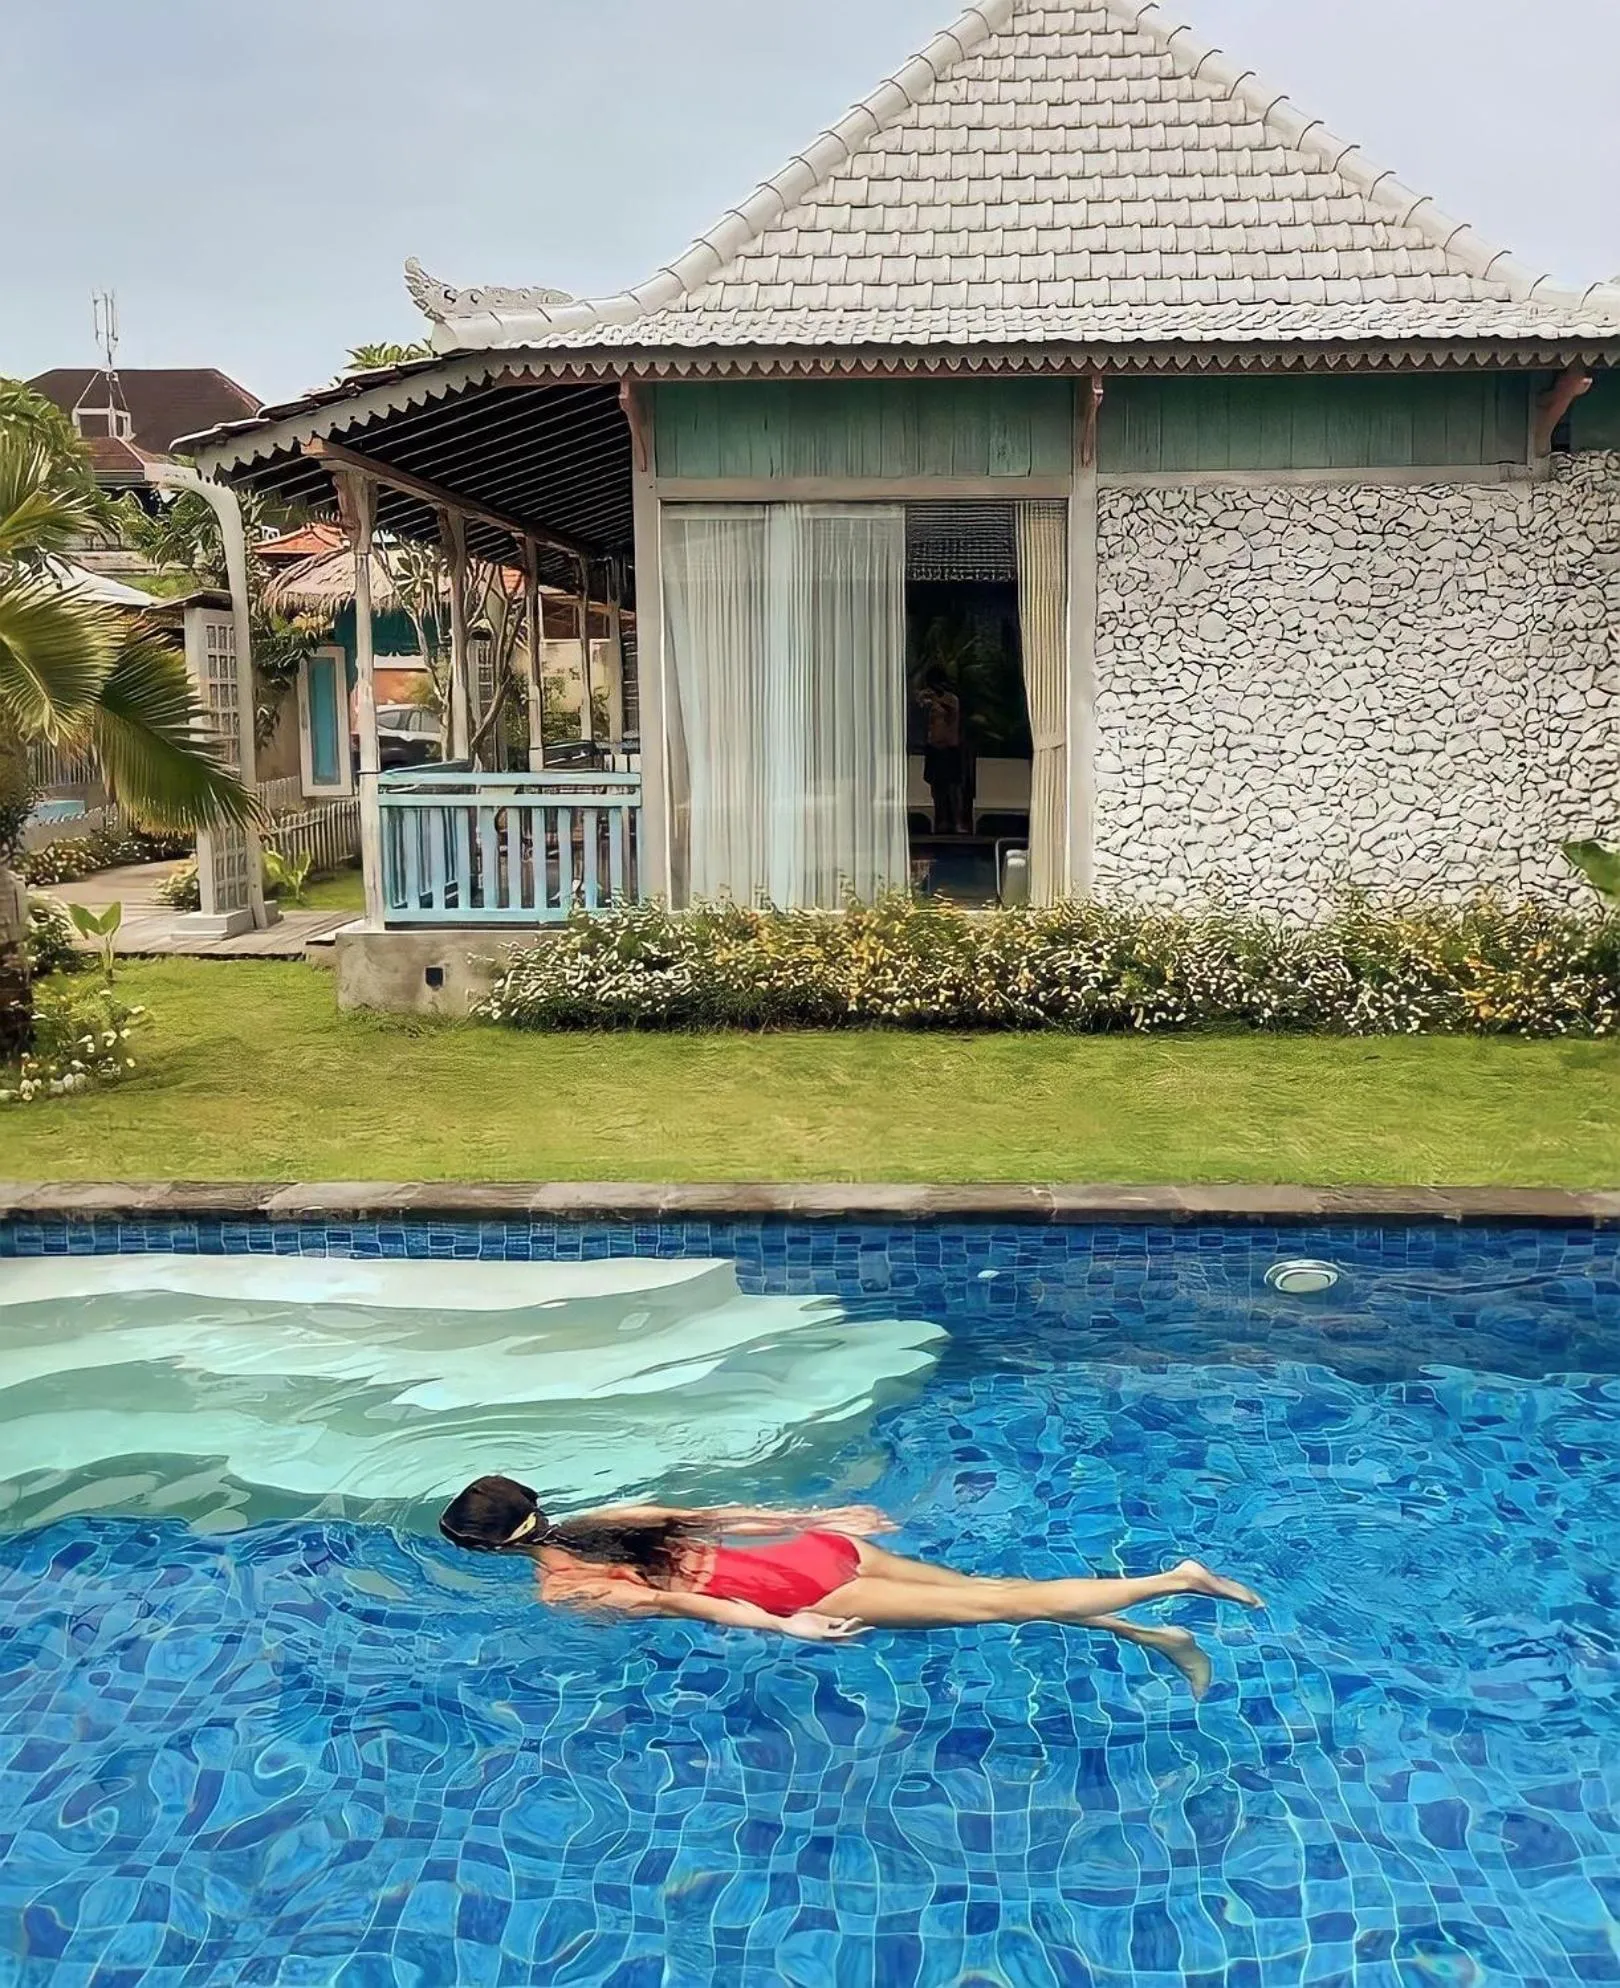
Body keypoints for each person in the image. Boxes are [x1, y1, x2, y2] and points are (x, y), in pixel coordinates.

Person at [438, 1476, 1263, 1697]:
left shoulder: (564, 1589)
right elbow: (720, 1514)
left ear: (487, 1550)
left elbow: (680, 1601)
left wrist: (785, 1631)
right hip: (817, 1550)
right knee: (988, 1588)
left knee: (1001, 1605)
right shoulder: (609, 1516)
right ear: (533, 1502)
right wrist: (827, 1514)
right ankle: (1155, 1636)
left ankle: (1172, 1582)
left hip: (798, 1595)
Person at [916, 669, 966, 835]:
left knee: (953, 787)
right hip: (934, 747)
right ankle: (941, 820)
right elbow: (920, 712)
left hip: (950, 747)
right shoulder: (925, 699)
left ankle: (958, 822)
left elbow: (951, 713)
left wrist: (936, 700)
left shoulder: (951, 700)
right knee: (937, 787)